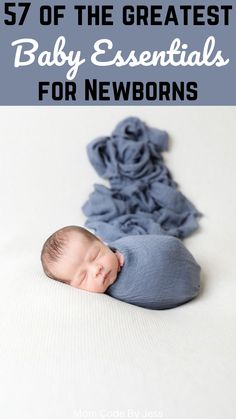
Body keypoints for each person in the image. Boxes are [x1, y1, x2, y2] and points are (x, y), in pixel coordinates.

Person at [41, 225, 201, 310]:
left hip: (177, 255)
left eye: (96, 255)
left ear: (101, 241)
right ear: (72, 287)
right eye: (83, 277)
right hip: (183, 288)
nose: (96, 269)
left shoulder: (124, 247)